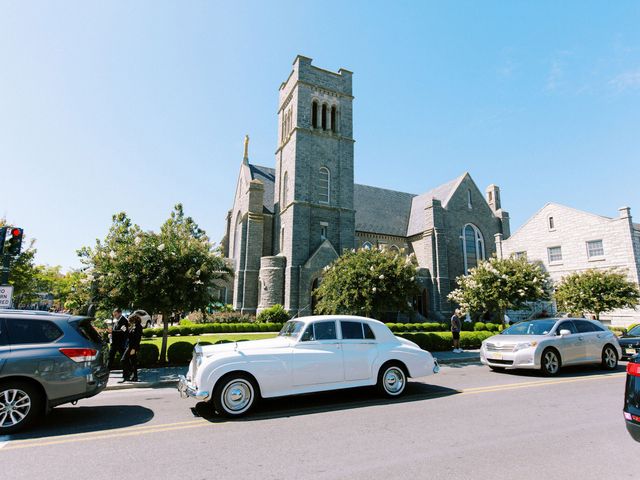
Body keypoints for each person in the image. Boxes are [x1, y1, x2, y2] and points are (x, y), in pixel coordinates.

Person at [122, 314, 143, 382]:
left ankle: (128, 375)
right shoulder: (133, 326)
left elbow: (137, 339)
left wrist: (134, 349)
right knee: (133, 362)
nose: (129, 321)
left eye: (129, 319)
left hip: (132, 347)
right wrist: (125, 330)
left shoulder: (138, 327)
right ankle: (134, 377)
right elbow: (129, 336)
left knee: (123, 360)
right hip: (130, 346)